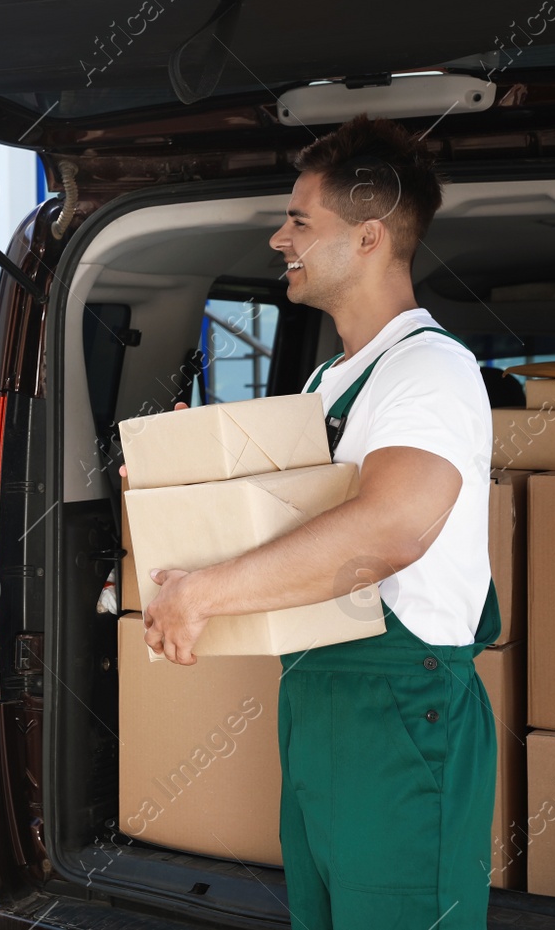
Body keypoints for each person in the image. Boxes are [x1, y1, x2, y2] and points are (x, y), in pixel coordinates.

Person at [141, 114, 498, 929]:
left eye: (300, 219)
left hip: (403, 718)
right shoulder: (329, 381)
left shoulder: (429, 371)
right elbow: (282, 526)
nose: (278, 238)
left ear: (369, 237)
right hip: (324, 709)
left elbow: (389, 529)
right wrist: (170, 497)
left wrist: (206, 595)